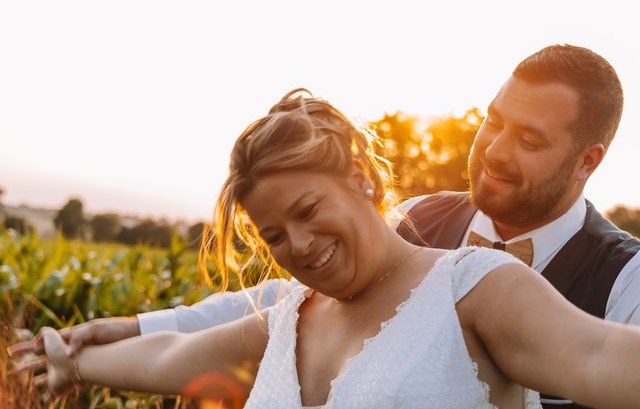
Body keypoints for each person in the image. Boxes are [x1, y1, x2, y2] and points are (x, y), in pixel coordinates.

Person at [10, 45, 640, 407]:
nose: (300, 248)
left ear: (363, 179)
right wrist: (78, 357)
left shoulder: (485, 284)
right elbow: (182, 349)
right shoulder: (300, 309)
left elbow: (600, 357)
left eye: (309, 212)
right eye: (274, 237)